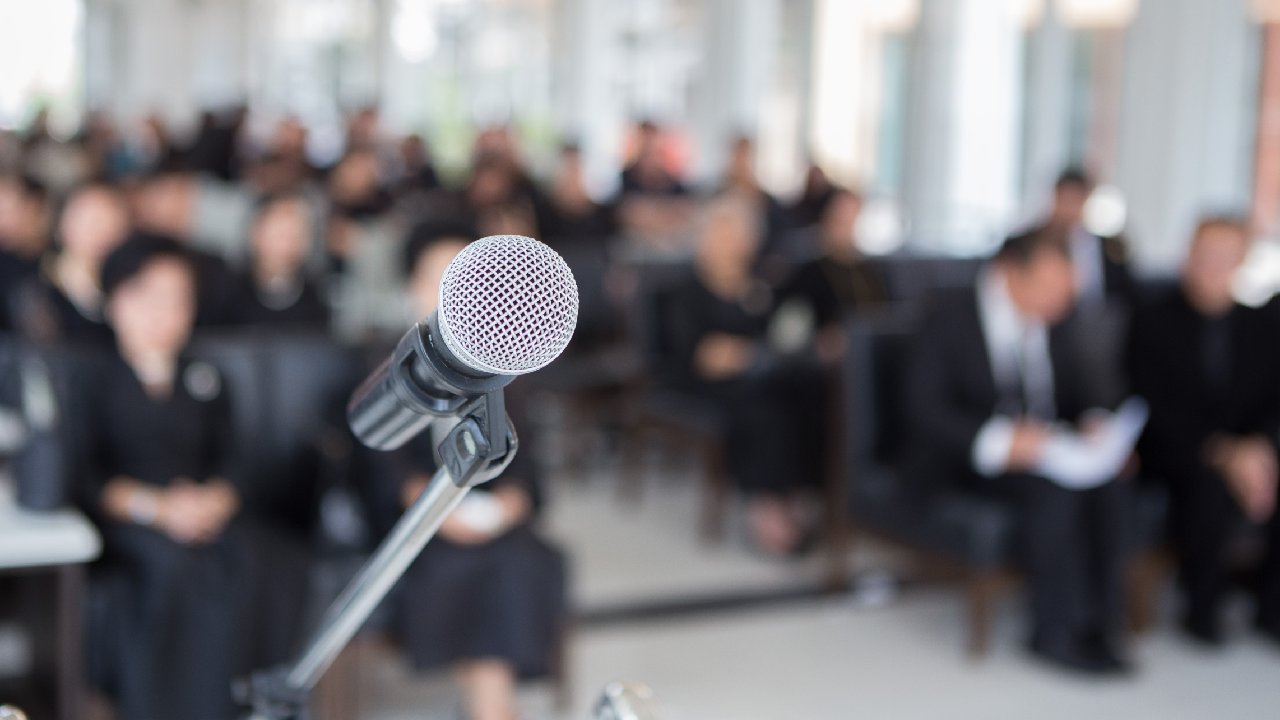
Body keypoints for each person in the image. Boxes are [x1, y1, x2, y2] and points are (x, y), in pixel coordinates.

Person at [906, 228, 1132, 675]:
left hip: (1043, 449)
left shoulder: (1056, 317)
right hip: (966, 457)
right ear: (1009, 273)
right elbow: (924, 410)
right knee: (1053, 492)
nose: (1058, 304)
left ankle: (1100, 624)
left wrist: (1094, 421)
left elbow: (1077, 389)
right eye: (1049, 291)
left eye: (1065, 293)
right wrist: (1002, 441)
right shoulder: (947, 314)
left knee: (1109, 482)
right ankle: (1053, 632)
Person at [381, 229, 567, 720]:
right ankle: (496, 712)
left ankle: (490, 710)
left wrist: (513, 502)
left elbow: (528, 473)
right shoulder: (384, 365)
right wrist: (431, 509)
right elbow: (379, 469)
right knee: (471, 569)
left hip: (497, 527)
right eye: (436, 278)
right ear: (411, 289)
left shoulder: (504, 368)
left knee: (519, 561)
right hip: (421, 526)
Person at [78, 233, 247, 719]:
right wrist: (158, 509)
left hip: (202, 514)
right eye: (147, 296)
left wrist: (215, 500)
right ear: (114, 301)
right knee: (173, 568)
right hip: (129, 521)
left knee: (252, 560)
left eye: (176, 299)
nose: (162, 313)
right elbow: (86, 477)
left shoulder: (206, 376)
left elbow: (233, 461)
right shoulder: (92, 378)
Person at [1129, 216, 1280, 647]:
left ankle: (1271, 608)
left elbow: (1273, 401)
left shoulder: (1262, 326)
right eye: (1205, 255)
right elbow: (1153, 405)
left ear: (1242, 262)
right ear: (1188, 255)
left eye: (1225, 258)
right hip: (1177, 450)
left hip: (1249, 448)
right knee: (1209, 488)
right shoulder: (1152, 319)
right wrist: (1225, 453)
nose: (1212, 266)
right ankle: (1202, 609)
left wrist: (1260, 448)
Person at [667, 197, 827, 555]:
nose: (733, 243)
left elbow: (778, 334)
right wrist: (750, 354)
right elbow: (705, 356)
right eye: (724, 234)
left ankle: (797, 490)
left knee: (806, 392)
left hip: (761, 376)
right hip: (705, 384)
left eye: (739, 235)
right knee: (762, 406)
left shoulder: (759, 287)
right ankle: (765, 503)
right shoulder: (688, 292)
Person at [775, 187, 888, 359]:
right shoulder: (808, 274)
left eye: (852, 219)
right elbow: (788, 334)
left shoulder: (871, 271)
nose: (847, 227)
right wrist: (819, 342)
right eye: (841, 220)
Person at [12, 181, 129, 347]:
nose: (101, 230)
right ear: (61, 224)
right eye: (89, 220)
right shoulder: (37, 294)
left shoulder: (130, 289)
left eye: (110, 219)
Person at [1012, 168, 1135, 307]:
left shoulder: (1110, 246)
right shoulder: (1027, 242)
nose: (1069, 209)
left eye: (1076, 201)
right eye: (1065, 200)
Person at [233, 193, 329, 330]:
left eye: (295, 234)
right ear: (254, 233)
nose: (285, 244)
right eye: (277, 234)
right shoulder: (226, 297)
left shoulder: (321, 298)